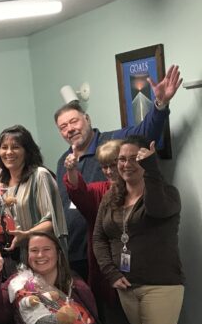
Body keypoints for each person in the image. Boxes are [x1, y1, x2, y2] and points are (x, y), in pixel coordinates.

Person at [54, 64, 182, 279]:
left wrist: (160, 104)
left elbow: (145, 132)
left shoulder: (114, 142)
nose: (70, 129)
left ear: (87, 119)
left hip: (111, 247)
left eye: (73, 121)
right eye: (63, 127)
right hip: (75, 253)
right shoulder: (62, 162)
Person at [93, 138, 184, 324]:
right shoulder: (111, 197)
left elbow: (157, 209)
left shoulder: (167, 194)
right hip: (126, 288)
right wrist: (110, 272)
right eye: (122, 159)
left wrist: (150, 168)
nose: (127, 165)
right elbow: (99, 237)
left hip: (159, 286)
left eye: (135, 159)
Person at [63, 139, 135, 324]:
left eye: (113, 164)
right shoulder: (98, 190)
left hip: (138, 270)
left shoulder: (139, 188)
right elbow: (80, 194)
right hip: (108, 271)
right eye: (104, 166)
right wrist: (72, 171)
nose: (109, 171)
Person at [0, 125, 68, 255]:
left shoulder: (40, 175)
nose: (9, 152)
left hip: (41, 255)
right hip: (12, 258)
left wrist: (27, 234)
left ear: (27, 151)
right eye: (4, 147)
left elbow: (52, 220)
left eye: (16, 147)